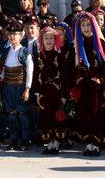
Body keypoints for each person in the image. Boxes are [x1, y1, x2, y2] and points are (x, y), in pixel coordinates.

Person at [71, 12, 105, 156]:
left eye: (88, 24)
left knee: (97, 115)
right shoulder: (77, 43)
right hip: (83, 87)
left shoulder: (101, 43)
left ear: (93, 26)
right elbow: (74, 68)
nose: (86, 28)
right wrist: (74, 86)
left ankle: (97, 144)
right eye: (82, 25)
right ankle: (88, 144)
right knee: (85, 115)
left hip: (97, 86)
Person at [32, 27, 68, 155]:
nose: (48, 41)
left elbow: (64, 76)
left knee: (56, 117)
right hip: (43, 93)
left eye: (51, 38)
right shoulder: (38, 56)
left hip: (57, 92)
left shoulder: (60, 56)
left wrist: (64, 94)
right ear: (42, 40)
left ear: (55, 40)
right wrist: (36, 93)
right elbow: (36, 75)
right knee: (45, 118)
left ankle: (56, 143)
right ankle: (49, 143)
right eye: (46, 38)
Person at [0, 20, 34, 151]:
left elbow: (29, 72)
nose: (13, 36)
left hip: (20, 86)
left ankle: (25, 140)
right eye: (11, 34)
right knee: (11, 114)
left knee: (22, 114)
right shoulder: (6, 50)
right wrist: (0, 77)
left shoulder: (25, 52)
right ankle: (13, 140)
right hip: (8, 87)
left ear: (22, 36)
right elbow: (3, 68)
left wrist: (27, 89)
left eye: (16, 34)